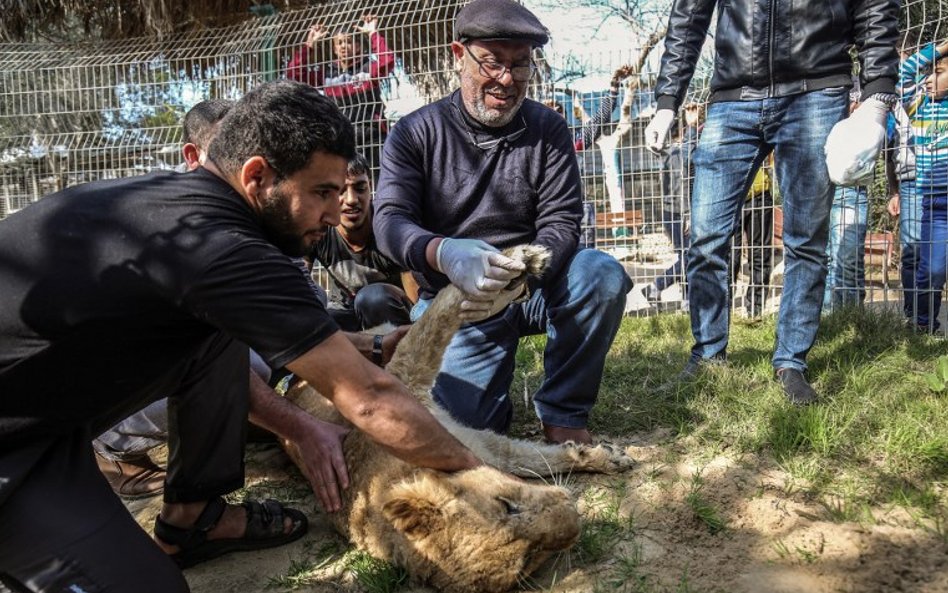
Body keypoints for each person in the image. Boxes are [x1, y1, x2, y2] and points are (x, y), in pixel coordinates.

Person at [0, 80, 483, 590]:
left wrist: (353, 367)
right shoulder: (223, 249)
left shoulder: (168, 206)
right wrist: (479, 473)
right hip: (13, 451)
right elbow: (369, 399)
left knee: (215, 340)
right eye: (321, 192)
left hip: (48, 417)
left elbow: (286, 343)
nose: (333, 212)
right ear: (256, 176)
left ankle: (192, 520)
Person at [373, 0, 632, 445]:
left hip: (531, 285)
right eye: (492, 62)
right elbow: (390, 220)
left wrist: (520, 278)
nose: (507, 79)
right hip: (458, 300)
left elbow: (562, 221)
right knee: (466, 429)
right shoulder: (414, 132)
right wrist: (443, 252)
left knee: (599, 274)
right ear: (459, 55)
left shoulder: (548, 129)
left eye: (520, 64)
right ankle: (491, 389)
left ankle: (564, 411)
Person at [644, 0, 900, 404]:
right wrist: (666, 100)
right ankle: (707, 355)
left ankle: (791, 362)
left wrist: (878, 94)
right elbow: (688, 17)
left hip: (817, 87)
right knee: (706, 236)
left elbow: (876, 6)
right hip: (732, 96)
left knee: (806, 240)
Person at [92, 98, 326, 500]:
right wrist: (302, 427)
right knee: (239, 359)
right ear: (192, 156)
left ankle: (233, 429)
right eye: (228, 145)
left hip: (184, 351)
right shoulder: (176, 215)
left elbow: (303, 306)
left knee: (289, 324)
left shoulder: (254, 205)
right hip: (105, 371)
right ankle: (109, 447)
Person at [311, 153, 414, 331]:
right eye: (341, 190)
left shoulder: (389, 226)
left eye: (360, 188)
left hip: (393, 318)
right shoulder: (318, 229)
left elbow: (416, 300)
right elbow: (299, 277)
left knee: (371, 298)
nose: (351, 200)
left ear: (370, 188)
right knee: (320, 318)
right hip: (347, 312)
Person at [286, 14, 395, 175]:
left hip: (372, 135)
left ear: (358, 46)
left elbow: (387, 61)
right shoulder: (327, 73)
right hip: (342, 139)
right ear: (335, 50)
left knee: (377, 179)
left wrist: (373, 33)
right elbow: (293, 75)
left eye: (349, 41)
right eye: (340, 43)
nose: (344, 46)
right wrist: (309, 45)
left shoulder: (368, 68)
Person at [900, 39, 948, 332]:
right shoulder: (918, 107)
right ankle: (923, 325)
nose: (928, 80)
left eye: (938, 73)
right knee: (932, 270)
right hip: (937, 204)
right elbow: (904, 72)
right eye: (928, 73)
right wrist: (941, 50)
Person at [644, 102, 700, 308]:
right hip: (679, 212)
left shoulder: (667, 151)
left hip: (673, 211)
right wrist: (688, 214)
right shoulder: (676, 152)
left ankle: (686, 299)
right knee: (690, 256)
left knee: (687, 256)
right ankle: (657, 286)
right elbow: (682, 184)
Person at [885, 98, 922, 323]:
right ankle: (916, 318)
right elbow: (889, 147)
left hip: (941, 173)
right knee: (912, 251)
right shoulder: (893, 93)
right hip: (910, 178)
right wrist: (894, 191)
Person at [729, 154, 777, 318]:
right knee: (730, 258)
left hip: (760, 194)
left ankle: (755, 311)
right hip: (731, 197)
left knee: (760, 256)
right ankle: (724, 310)